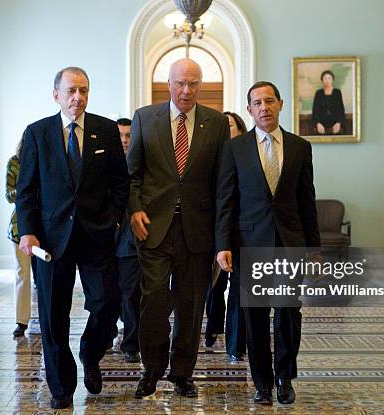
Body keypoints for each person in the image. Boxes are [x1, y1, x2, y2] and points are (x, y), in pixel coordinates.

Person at [16, 67, 129, 409]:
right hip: (51, 239)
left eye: (83, 90)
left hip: (97, 234)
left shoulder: (105, 131)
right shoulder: (37, 134)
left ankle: (91, 352)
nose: (77, 97)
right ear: (56, 95)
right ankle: (61, 387)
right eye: (70, 91)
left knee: (108, 301)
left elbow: (120, 184)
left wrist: (114, 220)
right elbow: (26, 190)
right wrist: (28, 231)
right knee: (53, 315)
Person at [128, 58, 230, 398]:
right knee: (154, 300)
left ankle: (182, 373)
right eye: (180, 83)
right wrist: (135, 210)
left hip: (197, 231)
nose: (187, 90)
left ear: (201, 85)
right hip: (154, 229)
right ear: (168, 83)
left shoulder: (215, 123)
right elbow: (134, 175)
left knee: (191, 304)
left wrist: (221, 236)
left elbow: (222, 183)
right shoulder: (145, 118)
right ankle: (152, 369)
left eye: (194, 83)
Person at [215, 81, 320, 405]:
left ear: (280, 104)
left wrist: (313, 247)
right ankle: (262, 383)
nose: (264, 107)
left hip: (289, 243)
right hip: (249, 244)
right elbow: (226, 200)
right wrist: (223, 244)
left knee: (288, 313)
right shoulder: (235, 148)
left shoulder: (300, 147)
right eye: (257, 103)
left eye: (269, 101)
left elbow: (307, 200)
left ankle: (284, 377)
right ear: (249, 109)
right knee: (255, 317)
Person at [204, 111, 247, 361]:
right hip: (216, 228)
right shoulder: (214, 154)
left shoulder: (247, 152)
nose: (226, 129)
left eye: (230, 125)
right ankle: (212, 329)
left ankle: (236, 342)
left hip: (242, 229)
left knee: (240, 289)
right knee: (216, 285)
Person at [113, 117, 142, 363]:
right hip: (104, 240)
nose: (124, 140)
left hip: (130, 241)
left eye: (128, 135)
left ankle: (131, 343)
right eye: (120, 135)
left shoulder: (142, 165)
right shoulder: (104, 163)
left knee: (131, 294)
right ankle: (107, 333)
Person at [6, 135, 36, 338]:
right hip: (20, 226)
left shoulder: (49, 158)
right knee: (22, 274)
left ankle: (48, 318)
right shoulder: (15, 162)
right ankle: (21, 321)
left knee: (46, 278)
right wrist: (25, 191)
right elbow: (8, 195)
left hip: (48, 225)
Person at [311, 70, 346, 135]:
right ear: (322, 80)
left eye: (329, 78)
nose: (327, 80)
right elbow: (315, 110)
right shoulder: (319, 93)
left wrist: (339, 123)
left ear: (332, 80)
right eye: (325, 78)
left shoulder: (337, 92)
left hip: (335, 124)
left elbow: (341, 109)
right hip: (321, 124)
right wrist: (318, 123)